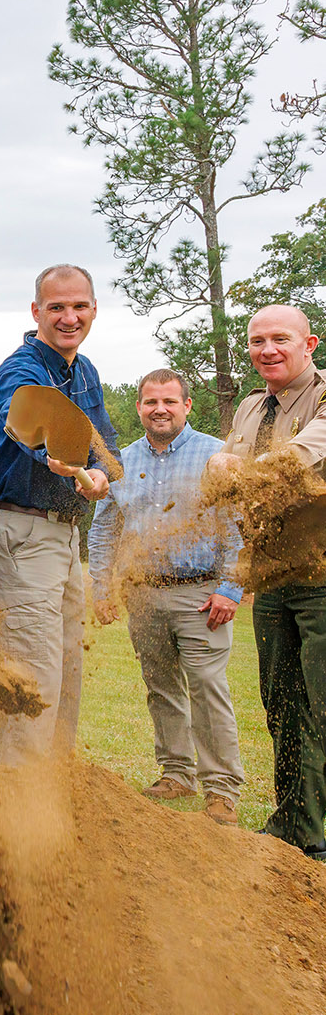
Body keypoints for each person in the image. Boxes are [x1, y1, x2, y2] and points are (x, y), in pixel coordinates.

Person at [89, 368, 245, 825]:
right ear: (138, 406)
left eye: (170, 402)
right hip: (143, 594)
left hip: (201, 594)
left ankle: (221, 790)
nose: (160, 409)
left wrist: (231, 588)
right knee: (161, 688)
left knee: (207, 688)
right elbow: (102, 531)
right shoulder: (120, 462)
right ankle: (176, 773)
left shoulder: (216, 455)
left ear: (187, 406)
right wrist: (103, 589)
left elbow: (240, 526)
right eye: (151, 402)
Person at [0, 264, 117, 764]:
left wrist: (101, 472)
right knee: (30, 676)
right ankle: (21, 807)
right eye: (56, 307)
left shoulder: (86, 372)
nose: (68, 317)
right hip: (24, 534)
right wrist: (60, 457)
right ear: (36, 311)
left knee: (64, 671)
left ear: (94, 310)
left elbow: (103, 441)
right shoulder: (21, 368)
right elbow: (31, 417)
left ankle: (55, 793)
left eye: (79, 306)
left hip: (65, 536)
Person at [212, 304, 326, 859]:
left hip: (324, 576)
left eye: (280, 339)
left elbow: (301, 459)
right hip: (274, 575)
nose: (267, 350)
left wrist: (234, 468)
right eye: (257, 341)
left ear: (311, 344)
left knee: (323, 704)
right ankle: (295, 826)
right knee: (282, 702)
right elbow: (227, 476)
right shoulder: (252, 408)